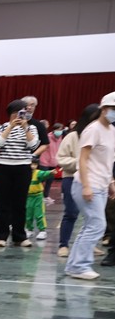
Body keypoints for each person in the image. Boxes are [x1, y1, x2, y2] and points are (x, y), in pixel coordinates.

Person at [66, 92, 115, 279]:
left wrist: (110, 181)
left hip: (101, 185)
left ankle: (74, 265)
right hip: (88, 184)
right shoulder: (93, 129)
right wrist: (86, 186)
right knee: (97, 225)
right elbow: (83, 159)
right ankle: (80, 266)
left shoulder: (112, 131)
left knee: (90, 225)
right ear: (104, 109)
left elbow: (107, 161)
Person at [0, 99, 40, 248]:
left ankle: (20, 236)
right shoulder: (0, 127)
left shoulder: (31, 128)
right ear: (13, 113)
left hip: (22, 168)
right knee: (2, 204)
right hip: (1, 168)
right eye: (21, 112)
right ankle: (1, 236)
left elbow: (33, 146)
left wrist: (25, 128)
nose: (24, 115)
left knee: (20, 204)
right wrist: (10, 127)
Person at [57, 105, 100, 257]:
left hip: (94, 180)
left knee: (92, 215)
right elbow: (61, 158)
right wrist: (81, 163)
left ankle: (89, 244)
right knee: (71, 213)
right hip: (71, 178)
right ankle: (63, 245)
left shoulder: (101, 135)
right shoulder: (73, 136)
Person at [25, 158, 55, 240]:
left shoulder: (38, 173)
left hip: (37, 196)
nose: (33, 166)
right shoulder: (25, 174)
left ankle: (42, 230)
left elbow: (44, 174)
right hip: (28, 197)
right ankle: (29, 229)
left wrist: (50, 172)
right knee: (28, 214)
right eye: (31, 164)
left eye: (35, 164)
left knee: (39, 214)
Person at [39, 122, 63, 203]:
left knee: (50, 180)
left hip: (53, 162)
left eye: (61, 129)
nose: (59, 131)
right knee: (42, 180)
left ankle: (46, 196)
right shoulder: (47, 137)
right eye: (58, 129)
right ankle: (39, 196)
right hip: (44, 161)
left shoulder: (60, 139)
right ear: (54, 130)